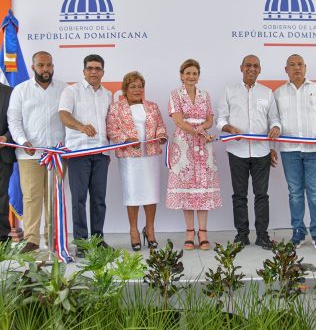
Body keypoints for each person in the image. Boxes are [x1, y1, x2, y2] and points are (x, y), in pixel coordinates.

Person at [217, 55, 281, 250]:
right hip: (237, 151)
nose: (251, 69)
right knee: (239, 195)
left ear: (259, 70)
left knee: (262, 195)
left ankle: (262, 235)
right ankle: (242, 235)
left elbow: (274, 119)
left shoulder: (267, 93)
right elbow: (221, 119)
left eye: (255, 66)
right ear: (241, 67)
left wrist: (276, 129)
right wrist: (229, 128)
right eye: (248, 65)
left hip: (261, 152)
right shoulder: (229, 91)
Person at [274, 54, 316, 250]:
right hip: (289, 151)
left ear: (305, 67)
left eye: (300, 64)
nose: (296, 68)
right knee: (295, 193)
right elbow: (274, 118)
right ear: (286, 70)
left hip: (314, 150)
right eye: (292, 65)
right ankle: (298, 232)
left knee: (315, 193)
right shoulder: (279, 93)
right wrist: (275, 127)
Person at [7, 51, 66, 253]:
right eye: (41, 65)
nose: (45, 69)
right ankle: (32, 240)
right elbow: (13, 121)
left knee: (54, 198)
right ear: (33, 67)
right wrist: (23, 142)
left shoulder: (64, 89)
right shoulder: (21, 90)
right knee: (32, 197)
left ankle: (54, 239)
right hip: (29, 154)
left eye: (49, 65)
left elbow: (69, 118)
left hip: (56, 154)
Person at [106, 71, 167, 251]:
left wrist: (161, 136)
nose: (137, 89)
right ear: (125, 89)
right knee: (133, 194)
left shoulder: (152, 107)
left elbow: (161, 126)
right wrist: (125, 140)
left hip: (151, 155)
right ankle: (133, 230)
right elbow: (112, 130)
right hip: (130, 158)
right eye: (133, 86)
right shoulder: (116, 108)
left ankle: (150, 229)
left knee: (151, 193)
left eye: (140, 86)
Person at [59, 54, 112, 257]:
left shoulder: (108, 94)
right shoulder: (71, 91)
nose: (93, 72)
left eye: (97, 68)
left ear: (103, 72)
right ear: (83, 71)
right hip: (79, 152)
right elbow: (63, 115)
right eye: (90, 68)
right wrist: (81, 127)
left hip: (101, 152)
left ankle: (97, 240)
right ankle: (81, 243)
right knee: (79, 199)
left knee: (99, 198)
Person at [166, 59, 222, 251]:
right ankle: (190, 232)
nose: (191, 76)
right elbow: (179, 122)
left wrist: (202, 128)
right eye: (187, 73)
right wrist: (198, 131)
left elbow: (210, 119)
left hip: (203, 146)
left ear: (198, 76)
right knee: (187, 190)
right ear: (181, 75)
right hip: (184, 144)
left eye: (194, 73)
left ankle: (203, 233)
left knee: (203, 190)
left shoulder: (205, 95)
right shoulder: (175, 95)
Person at [0, 82, 16, 243]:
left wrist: (6, 137)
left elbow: (18, 120)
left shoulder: (10, 92)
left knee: (2, 196)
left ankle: (2, 237)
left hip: (3, 153)